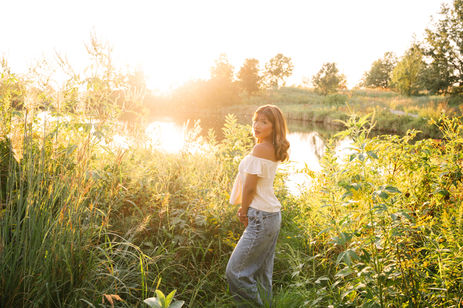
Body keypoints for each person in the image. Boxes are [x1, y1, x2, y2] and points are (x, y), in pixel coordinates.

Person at [226, 104, 290, 307]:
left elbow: (250, 188)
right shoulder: (270, 147)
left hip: (261, 216)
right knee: (262, 273)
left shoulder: (260, 148)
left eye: (264, 122)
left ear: (274, 126)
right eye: (256, 120)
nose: (257, 125)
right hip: (271, 216)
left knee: (235, 272)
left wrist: (243, 211)